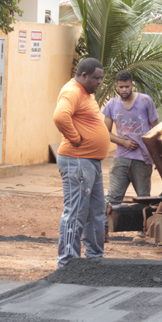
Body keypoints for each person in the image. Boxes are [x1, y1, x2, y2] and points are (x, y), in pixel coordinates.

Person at [52, 58, 111, 268]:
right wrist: (75, 139)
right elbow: (60, 116)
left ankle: (95, 259)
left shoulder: (85, 93)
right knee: (76, 212)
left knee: (96, 211)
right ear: (83, 75)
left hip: (91, 162)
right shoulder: (73, 91)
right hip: (77, 162)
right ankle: (67, 264)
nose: (99, 82)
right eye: (96, 78)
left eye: (101, 78)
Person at [102, 70, 160, 212]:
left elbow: (157, 129)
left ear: (132, 85)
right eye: (121, 87)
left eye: (127, 86)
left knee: (143, 198)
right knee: (113, 199)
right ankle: (104, 230)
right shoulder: (111, 104)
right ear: (116, 86)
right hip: (121, 158)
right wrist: (124, 143)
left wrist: (158, 157)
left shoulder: (145, 100)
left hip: (143, 159)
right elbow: (105, 133)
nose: (124, 90)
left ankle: (142, 232)